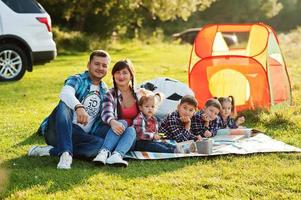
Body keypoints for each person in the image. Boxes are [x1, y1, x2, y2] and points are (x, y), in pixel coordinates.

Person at [28, 50, 111, 169]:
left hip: (79, 136)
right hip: (58, 129)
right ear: (89, 65)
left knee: (99, 146)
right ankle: (65, 154)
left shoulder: (104, 90)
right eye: (97, 64)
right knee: (64, 103)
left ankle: (52, 151)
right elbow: (65, 93)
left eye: (104, 65)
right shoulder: (78, 79)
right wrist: (78, 107)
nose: (100, 68)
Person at [92, 59, 137, 167]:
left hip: (128, 137)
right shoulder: (110, 94)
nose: (121, 76)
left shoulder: (138, 94)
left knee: (131, 129)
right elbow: (106, 112)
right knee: (123, 122)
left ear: (131, 75)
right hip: (109, 131)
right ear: (113, 75)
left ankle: (116, 156)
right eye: (118, 72)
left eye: (125, 73)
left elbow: (151, 103)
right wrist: (112, 122)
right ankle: (104, 152)